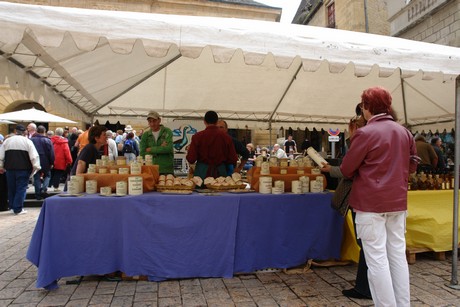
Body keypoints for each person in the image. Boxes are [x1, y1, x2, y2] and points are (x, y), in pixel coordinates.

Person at [339, 86, 418, 307]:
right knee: (397, 257)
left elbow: (346, 169)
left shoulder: (365, 133)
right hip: (397, 202)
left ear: (367, 107)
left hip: (370, 204)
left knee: (377, 261)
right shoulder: (404, 132)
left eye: (363, 106)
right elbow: (413, 165)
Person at [321, 105, 371, 300]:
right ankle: (368, 286)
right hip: (383, 199)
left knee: (366, 243)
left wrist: (330, 170)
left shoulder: (360, 140)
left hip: (362, 198)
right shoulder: (393, 135)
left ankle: (364, 287)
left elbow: (348, 170)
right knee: (372, 245)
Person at [186, 111, 237, 182]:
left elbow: (191, 159)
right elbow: (233, 159)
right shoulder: (226, 137)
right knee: (221, 191)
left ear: (204, 121)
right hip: (220, 176)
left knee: (200, 192)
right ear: (216, 122)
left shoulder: (197, 137)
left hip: (202, 175)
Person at [0, 124, 40, 215]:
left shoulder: (7, 141)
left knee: (11, 188)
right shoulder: (27, 141)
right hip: (23, 168)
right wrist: (36, 167)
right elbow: (34, 156)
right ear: (24, 132)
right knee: (21, 188)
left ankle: (12, 206)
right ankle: (18, 208)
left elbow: (1, 155)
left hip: (9, 168)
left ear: (15, 131)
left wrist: (1, 166)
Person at [31, 125, 55, 200]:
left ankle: (38, 194)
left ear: (37, 131)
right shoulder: (47, 140)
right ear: (44, 132)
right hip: (45, 161)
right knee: (48, 175)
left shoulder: (31, 140)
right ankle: (44, 189)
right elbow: (51, 153)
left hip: (35, 161)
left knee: (36, 177)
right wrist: (52, 162)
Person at [50, 127, 72, 192]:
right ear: (62, 133)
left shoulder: (51, 140)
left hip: (51, 159)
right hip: (60, 160)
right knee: (58, 173)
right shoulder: (64, 142)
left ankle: (49, 185)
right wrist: (69, 160)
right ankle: (56, 187)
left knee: (52, 172)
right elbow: (67, 152)